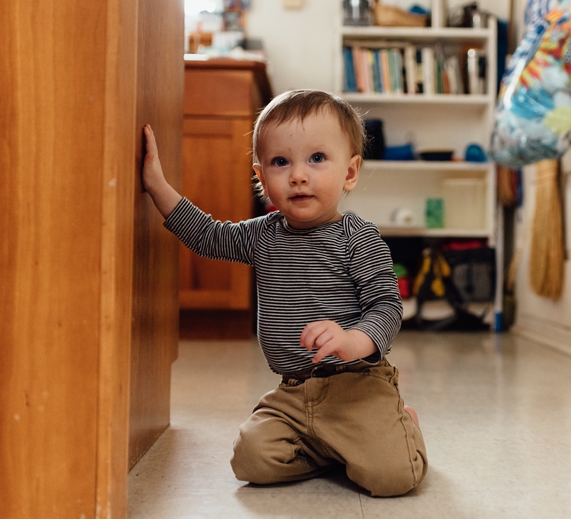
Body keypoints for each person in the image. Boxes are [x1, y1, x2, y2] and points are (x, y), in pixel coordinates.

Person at [141, 89, 427, 497]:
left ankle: (403, 425)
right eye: (280, 162)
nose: (297, 175)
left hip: (358, 386)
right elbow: (206, 234)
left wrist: (352, 339)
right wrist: (156, 186)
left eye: (317, 158)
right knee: (251, 459)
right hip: (294, 392)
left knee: (392, 478)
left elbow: (387, 306)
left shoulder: (357, 237)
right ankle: (330, 446)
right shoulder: (263, 236)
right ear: (261, 178)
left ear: (350, 172)